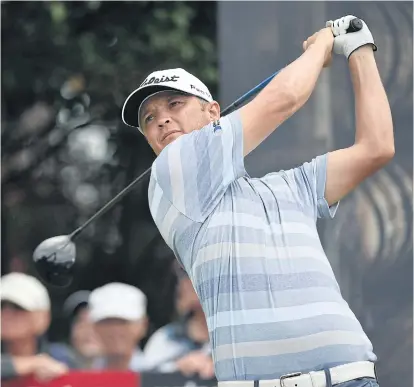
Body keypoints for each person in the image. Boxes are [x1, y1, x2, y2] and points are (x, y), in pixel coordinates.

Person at [121, 15, 394, 386]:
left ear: (213, 112)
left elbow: (376, 148)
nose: (162, 121)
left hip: (350, 378)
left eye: (174, 104)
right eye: (149, 119)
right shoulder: (172, 170)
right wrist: (322, 45)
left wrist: (360, 48)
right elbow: (286, 98)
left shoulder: (290, 186)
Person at [1, 272, 78, 382]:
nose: (6, 314)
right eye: (1, 306)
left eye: (17, 307)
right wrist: (33, 364)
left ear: (42, 317)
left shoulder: (60, 357)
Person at [144, 263, 213, 379]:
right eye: (183, 275)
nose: (186, 282)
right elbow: (147, 378)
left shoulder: (239, 338)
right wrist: (176, 369)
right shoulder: (165, 338)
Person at [89, 282, 150, 372]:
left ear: (143, 325)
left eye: (123, 322)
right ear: (93, 328)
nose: (115, 330)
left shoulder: (161, 377)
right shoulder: (77, 376)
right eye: (107, 322)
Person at [62, 290, 103, 369]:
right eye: (82, 324)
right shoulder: (54, 364)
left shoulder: (131, 369)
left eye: (95, 324)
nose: (89, 332)